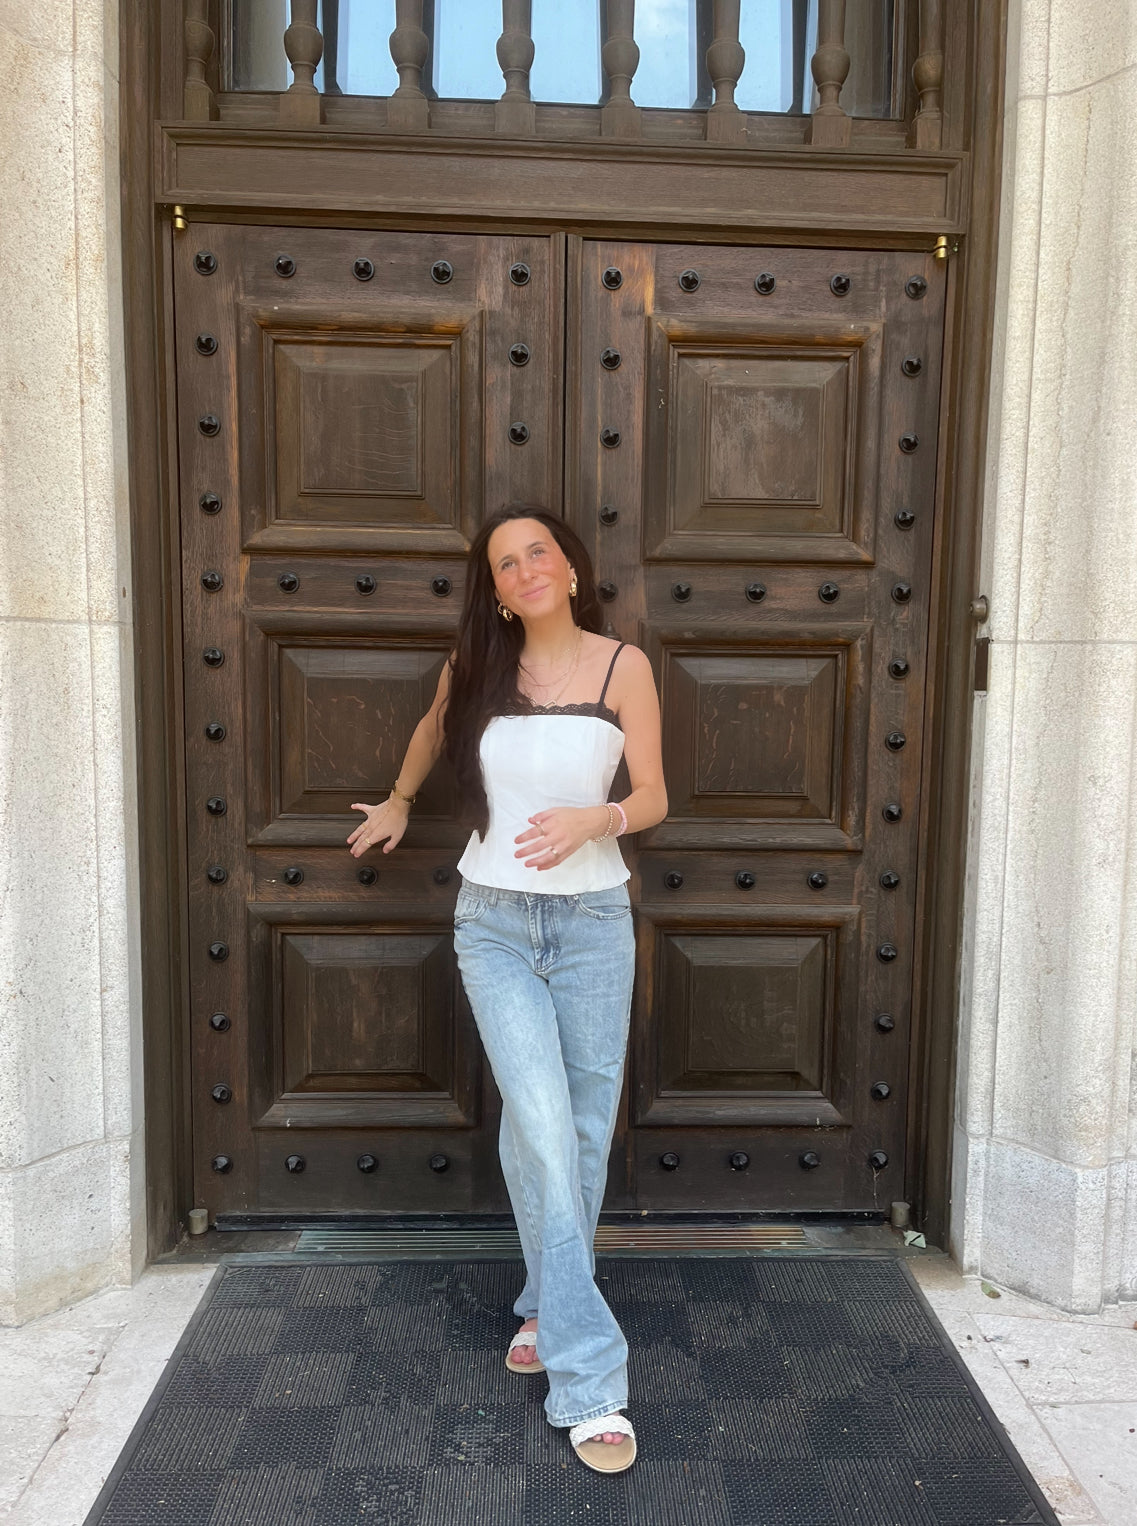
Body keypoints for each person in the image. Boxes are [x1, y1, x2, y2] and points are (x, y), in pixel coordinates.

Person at [345, 503, 667, 1474]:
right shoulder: (477, 670)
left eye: (540, 552)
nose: (526, 568)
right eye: (505, 561)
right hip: (492, 923)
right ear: (495, 588)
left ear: (569, 568)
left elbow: (652, 794)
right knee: (535, 1115)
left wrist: (595, 819)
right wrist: (400, 800)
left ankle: (540, 1299)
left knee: (576, 1125)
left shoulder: (623, 667)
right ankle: (588, 1375)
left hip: (593, 926)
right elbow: (429, 732)